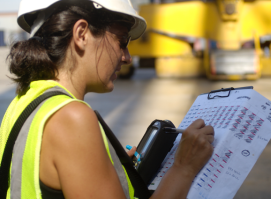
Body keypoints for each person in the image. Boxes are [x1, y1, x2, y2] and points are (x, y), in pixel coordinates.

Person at [0, 0, 215, 198]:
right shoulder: (73, 118)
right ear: (81, 34)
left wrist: (109, 170)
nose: (127, 57)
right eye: (122, 41)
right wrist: (184, 167)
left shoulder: (22, 103)